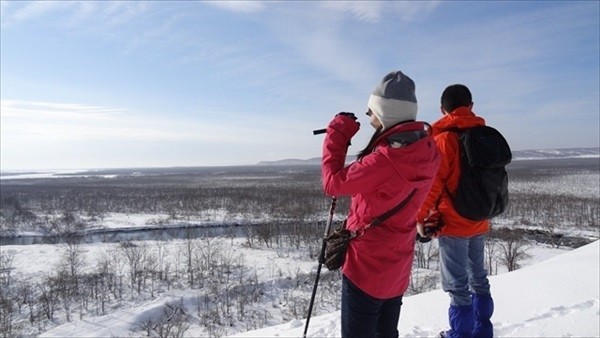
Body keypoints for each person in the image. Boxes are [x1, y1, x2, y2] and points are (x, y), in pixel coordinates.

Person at [321, 70, 440, 338]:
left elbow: (333, 184)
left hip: (366, 268)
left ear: (385, 113)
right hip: (397, 266)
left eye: (370, 111)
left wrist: (337, 134)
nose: (368, 116)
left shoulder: (385, 160)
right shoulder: (428, 150)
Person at [416, 84, 494, 338]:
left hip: (452, 223)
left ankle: (460, 335)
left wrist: (420, 218)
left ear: (442, 109)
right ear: (471, 106)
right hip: (479, 219)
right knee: (479, 279)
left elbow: (433, 184)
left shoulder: (444, 139)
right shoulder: (485, 136)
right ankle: (483, 331)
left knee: (458, 286)